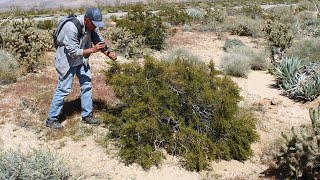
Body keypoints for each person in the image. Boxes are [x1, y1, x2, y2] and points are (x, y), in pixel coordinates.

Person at [44, 8, 117, 129]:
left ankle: (87, 115)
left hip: (82, 59)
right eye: (94, 24)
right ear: (87, 20)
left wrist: (109, 54)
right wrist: (93, 50)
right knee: (63, 89)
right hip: (68, 60)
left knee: (87, 85)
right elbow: (73, 51)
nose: (96, 27)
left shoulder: (92, 25)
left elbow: (98, 41)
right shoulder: (71, 27)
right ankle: (51, 119)